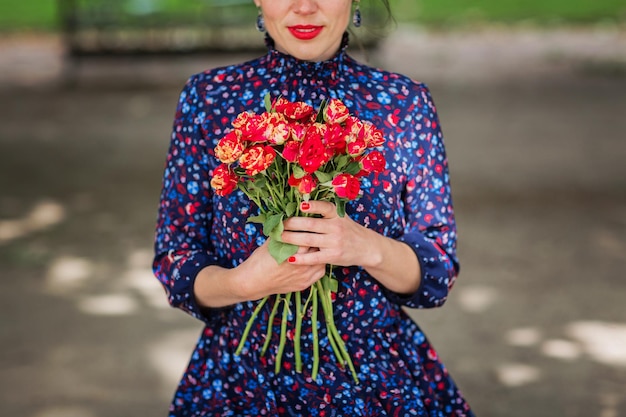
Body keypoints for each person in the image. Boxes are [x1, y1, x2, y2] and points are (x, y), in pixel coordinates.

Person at [153, 0, 475, 415]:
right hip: (243, 385)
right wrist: (243, 284)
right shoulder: (209, 98)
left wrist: (366, 247)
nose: (305, 7)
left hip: (373, 383)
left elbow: (437, 272)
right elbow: (175, 262)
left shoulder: (403, 103)